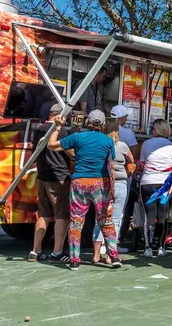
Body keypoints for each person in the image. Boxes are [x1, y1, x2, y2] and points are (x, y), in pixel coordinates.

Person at [48, 109, 122, 270]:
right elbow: (111, 166)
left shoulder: (77, 137)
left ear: (87, 122)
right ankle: (114, 257)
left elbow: (51, 145)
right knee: (105, 220)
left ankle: (75, 259)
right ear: (102, 124)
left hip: (79, 182)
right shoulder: (108, 141)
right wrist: (112, 190)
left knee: (76, 221)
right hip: (100, 183)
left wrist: (57, 127)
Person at [28, 103, 70, 263]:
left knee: (44, 214)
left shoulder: (39, 129)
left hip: (42, 176)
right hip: (58, 176)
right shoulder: (62, 131)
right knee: (62, 215)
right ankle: (57, 251)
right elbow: (70, 152)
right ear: (60, 114)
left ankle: (35, 250)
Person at [92, 117, 134, 262]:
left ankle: (96, 255)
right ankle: (112, 255)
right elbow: (132, 161)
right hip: (120, 184)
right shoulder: (122, 146)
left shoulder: (98, 145)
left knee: (100, 219)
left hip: (101, 183)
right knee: (115, 219)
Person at [139, 118, 172, 257]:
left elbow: (142, 162)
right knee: (163, 215)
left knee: (149, 216)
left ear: (156, 130)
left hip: (148, 182)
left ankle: (148, 248)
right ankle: (161, 248)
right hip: (165, 184)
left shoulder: (146, 144)